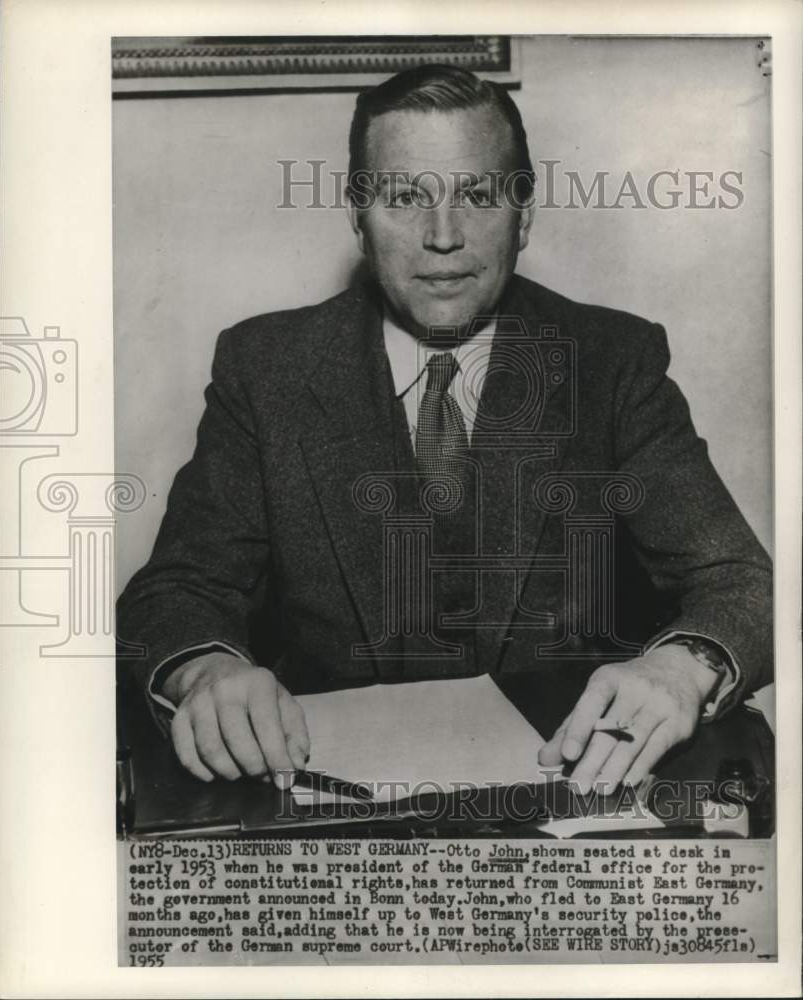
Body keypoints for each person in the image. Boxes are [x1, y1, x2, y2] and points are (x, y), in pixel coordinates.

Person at [117, 65, 772, 798]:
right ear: (357, 216)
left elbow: (741, 582)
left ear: (524, 214)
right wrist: (206, 671)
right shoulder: (267, 368)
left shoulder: (612, 361)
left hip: (565, 797)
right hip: (325, 802)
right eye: (405, 197)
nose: (443, 237)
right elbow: (177, 589)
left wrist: (682, 667)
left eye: (478, 196)